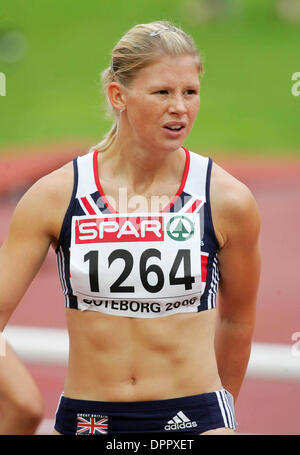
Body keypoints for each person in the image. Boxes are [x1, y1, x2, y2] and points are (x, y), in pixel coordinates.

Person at [0, 20, 261, 435]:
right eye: (162, 92)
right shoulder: (55, 196)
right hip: (91, 421)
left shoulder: (228, 200)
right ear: (118, 96)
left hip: (195, 417)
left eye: (190, 92)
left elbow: (236, 321)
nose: (180, 107)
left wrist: (221, 414)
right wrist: (22, 403)